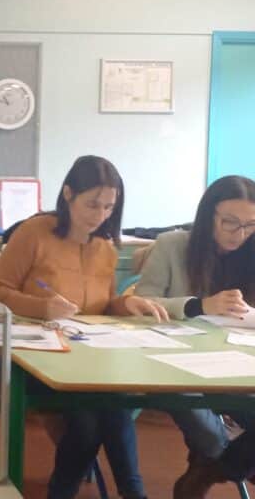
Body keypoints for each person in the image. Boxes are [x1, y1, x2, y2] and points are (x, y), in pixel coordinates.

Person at [0, 155, 163, 499]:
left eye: (109, 207)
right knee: (89, 423)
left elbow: (103, 304)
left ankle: (128, 492)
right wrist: (43, 307)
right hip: (37, 357)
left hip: (90, 358)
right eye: (92, 205)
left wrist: (126, 305)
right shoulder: (34, 233)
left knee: (112, 408)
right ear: (68, 194)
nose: (100, 216)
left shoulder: (105, 247)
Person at [134, 175, 255, 498]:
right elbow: (141, 303)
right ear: (208, 214)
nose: (239, 234)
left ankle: (209, 471)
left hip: (237, 363)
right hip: (173, 364)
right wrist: (199, 306)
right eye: (230, 222)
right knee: (211, 438)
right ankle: (227, 463)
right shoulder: (172, 245)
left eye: (249, 225)